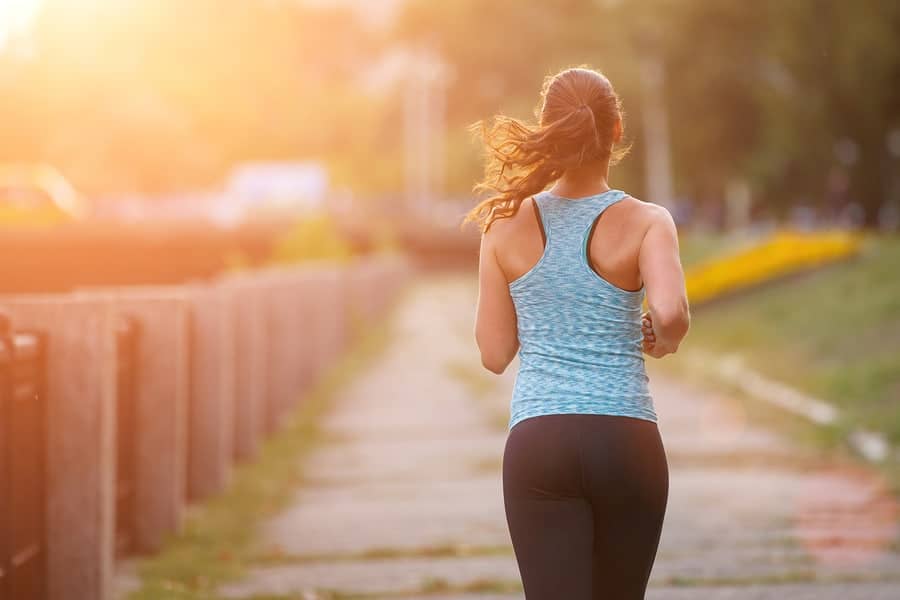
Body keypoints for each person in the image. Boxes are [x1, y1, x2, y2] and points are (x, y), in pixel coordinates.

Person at [466, 66, 690, 599]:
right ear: (615, 132)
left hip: (540, 443)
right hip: (627, 443)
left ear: (551, 130)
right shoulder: (648, 221)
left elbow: (494, 354)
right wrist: (666, 338)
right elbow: (671, 313)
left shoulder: (502, 226)